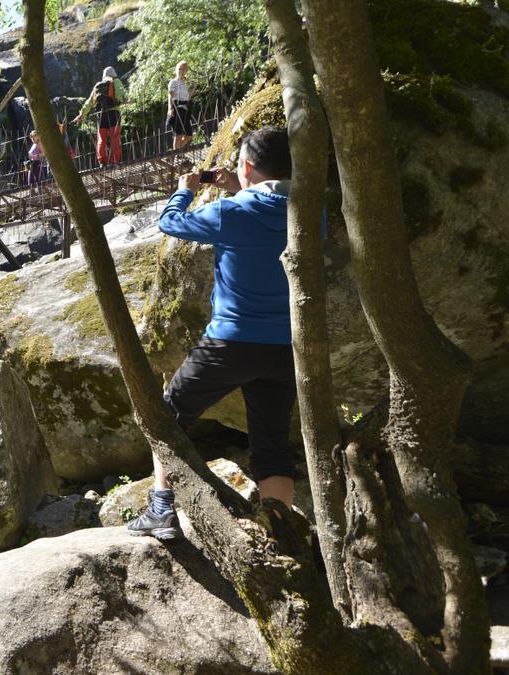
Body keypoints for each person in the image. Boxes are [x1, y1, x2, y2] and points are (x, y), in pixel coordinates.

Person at [126, 127, 296, 541]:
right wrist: (239, 187)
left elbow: (171, 223)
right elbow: (264, 214)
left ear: (248, 165)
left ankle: (162, 509)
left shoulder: (230, 213)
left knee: (166, 417)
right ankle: (284, 535)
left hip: (230, 342)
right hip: (284, 349)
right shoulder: (306, 210)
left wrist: (184, 189)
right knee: (272, 448)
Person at [73, 66, 128, 166]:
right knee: (114, 137)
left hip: (101, 115)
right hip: (113, 113)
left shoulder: (97, 86)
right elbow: (120, 96)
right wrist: (124, 100)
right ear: (114, 74)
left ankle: (102, 161)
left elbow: (89, 102)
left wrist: (81, 114)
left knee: (101, 139)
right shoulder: (116, 81)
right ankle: (115, 161)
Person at [167, 61, 194, 150]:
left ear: (186, 71)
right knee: (178, 135)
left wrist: (193, 88)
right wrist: (170, 108)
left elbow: (188, 98)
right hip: (176, 108)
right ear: (176, 70)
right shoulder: (173, 82)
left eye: (183, 69)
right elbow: (170, 96)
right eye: (179, 69)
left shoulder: (184, 84)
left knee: (189, 135)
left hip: (184, 110)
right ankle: (177, 155)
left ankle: (176, 152)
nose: (180, 71)